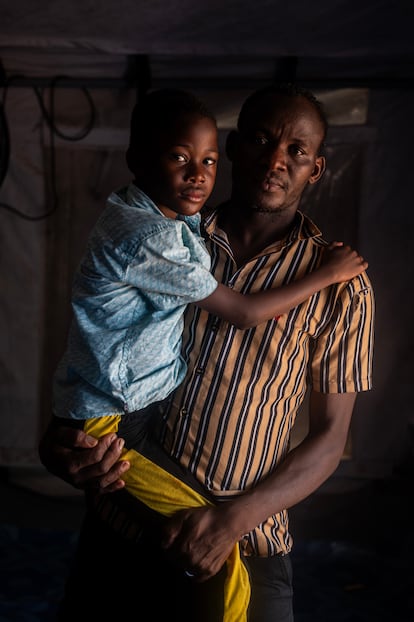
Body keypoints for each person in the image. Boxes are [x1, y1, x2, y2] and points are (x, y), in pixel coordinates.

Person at [39, 83, 375, 622]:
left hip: (248, 545)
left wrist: (232, 520)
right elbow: (96, 360)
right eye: (262, 140)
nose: (275, 160)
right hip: (124, 526)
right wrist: (59, 446)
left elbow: (331, 439)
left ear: (317, 169)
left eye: (297, 150)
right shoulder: (170, 238)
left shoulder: (340, 285)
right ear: (235, 146)